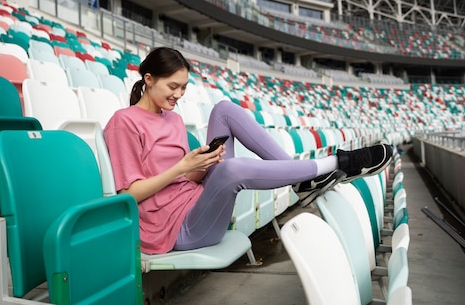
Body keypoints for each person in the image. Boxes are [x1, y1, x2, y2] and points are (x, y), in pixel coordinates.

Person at [104, 47, 393, 254]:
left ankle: (302, 180)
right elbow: (128, 195)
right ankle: (336, 163)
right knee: (232, 168)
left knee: (224, 110)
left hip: (197, 200)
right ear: (149, 79)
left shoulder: (174, 119)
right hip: (176, 229)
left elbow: (183, 181)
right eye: (173, 86)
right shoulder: (123, 122)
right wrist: (181, 167)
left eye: (184, 88)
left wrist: (200, 166)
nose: (179, 95)